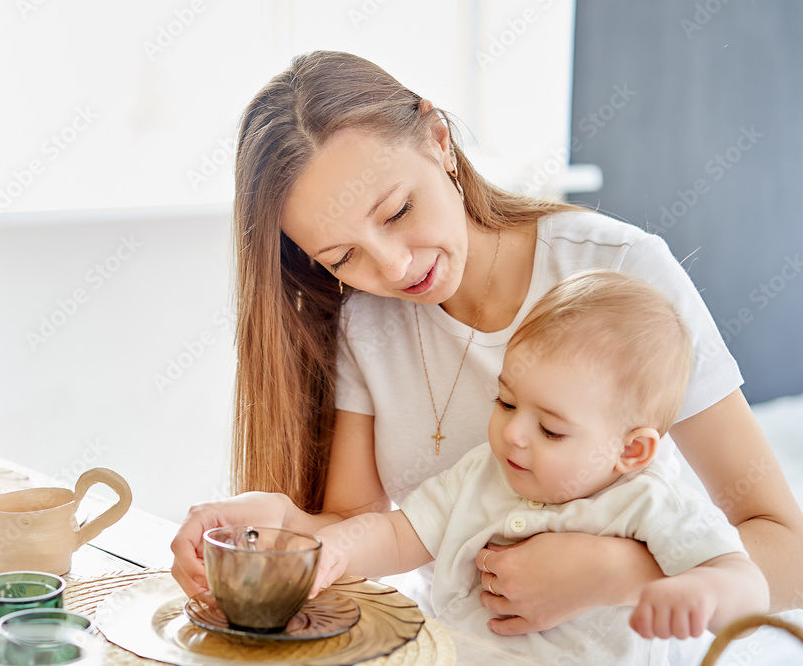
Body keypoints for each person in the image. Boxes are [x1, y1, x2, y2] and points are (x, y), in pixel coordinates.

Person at [172, 50, 803, 633]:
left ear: (439, 141)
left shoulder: (621, 272)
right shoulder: (366, 323)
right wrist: (285, 531)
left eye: (396, 213)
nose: (393, 268)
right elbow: (363, 536)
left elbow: (789, 551)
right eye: (343, 257)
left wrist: (612, 574)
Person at [199, 271, 770, 664]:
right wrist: (337, 550)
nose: (513, 434)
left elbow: (748, 586)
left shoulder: (647, 503)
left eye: (551, 428)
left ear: (632, 451)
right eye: (505, 402)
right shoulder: (483, 473)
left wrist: (701, 592)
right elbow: (399, 535)